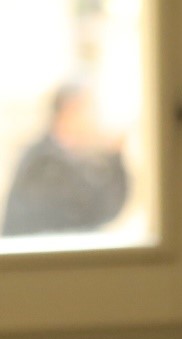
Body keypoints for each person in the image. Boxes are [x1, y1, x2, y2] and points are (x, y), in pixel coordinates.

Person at [2, 82, 129, 237]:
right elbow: (86, 214)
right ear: (70, 111)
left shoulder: (72, 157)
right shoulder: (43, 162)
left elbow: (104, 210)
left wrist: (115, 159)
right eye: (89, 110)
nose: (93, 119)